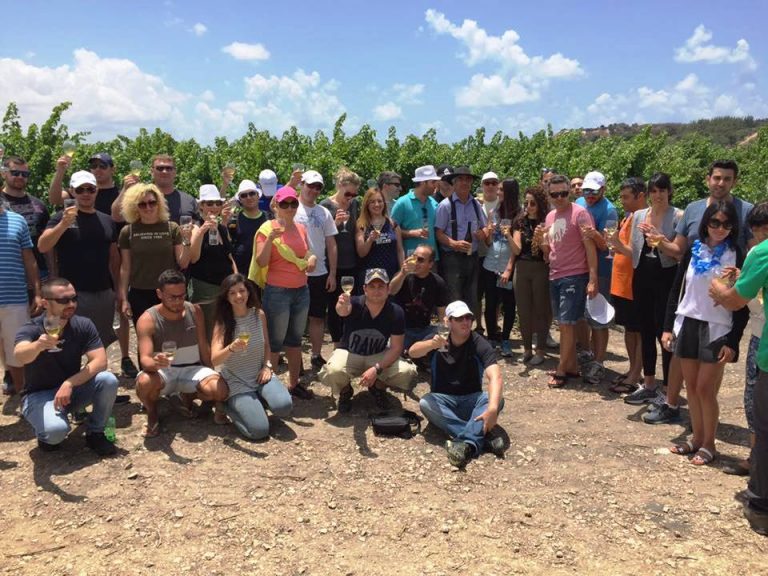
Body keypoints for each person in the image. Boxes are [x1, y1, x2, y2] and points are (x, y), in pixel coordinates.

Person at [646, 160, 753, 425]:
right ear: (708, 179)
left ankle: (704, 426)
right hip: (691, 293)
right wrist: (660, 242)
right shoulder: (693, 209)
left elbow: (754, 252)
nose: (721, 183)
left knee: (709, 376)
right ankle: (673, 405)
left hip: (723, 306)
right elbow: (679, 250)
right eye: (717, 177)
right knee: (681, 361)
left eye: (727, 179)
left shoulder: (746, 211)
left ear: (734, 182)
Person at [662, 201, 748, 466]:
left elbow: (742, 304)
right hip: (689, 322)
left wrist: (733, 342)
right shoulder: (693, 250)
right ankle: (696, 438)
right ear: (706, 224)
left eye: (726, 224)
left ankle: (710, 444)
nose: (720, 229)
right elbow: (677, 289)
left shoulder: (737, 255)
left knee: (705, 388)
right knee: (691, 387)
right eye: (715, 223)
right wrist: (667, 327)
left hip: (718, 328)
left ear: (733, 227)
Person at [708, 202, 768, 534]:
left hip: (767, 350)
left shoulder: (763, 252)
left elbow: (734, 300)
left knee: (763, 421)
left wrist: (719, 289)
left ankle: (760, 505)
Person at [15, 277, 119, 455]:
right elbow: (20, 354)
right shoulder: (32, 328)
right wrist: (38, 346)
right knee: (55, 433)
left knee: (108, 380)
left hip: (70, 391)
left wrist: (70, 383)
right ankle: (46, 432)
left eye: (74, 298)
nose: (71, 304)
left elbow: (100, 361)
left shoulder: (82, 324)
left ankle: (96, 433)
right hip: (39, 395)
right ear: (46, 303)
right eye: (64, 300)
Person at [409, 300, 505, 468]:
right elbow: (413, 351)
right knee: (426, 403)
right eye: (459, 319)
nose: (465, 322)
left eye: (469, 318)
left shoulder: (478, 342)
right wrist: (432, 345)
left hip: (471, 400)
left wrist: (492, 408)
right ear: (448, 321)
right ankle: (481, 436)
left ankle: (465, 443)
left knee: (497, 400)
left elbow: (495, 376)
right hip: (443, 400)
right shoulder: (438, 338)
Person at [134, 269, 228, 437]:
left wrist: (212, 371)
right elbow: (145, 360)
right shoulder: (148, 319)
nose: (178, 302)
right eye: (172, 297)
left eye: (182, 296)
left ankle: (187, 396)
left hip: (192, 369)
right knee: (144, 382)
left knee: (220, 389)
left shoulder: (194, 311)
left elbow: (202, 344)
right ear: (159, 294)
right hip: (165, 372)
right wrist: (156, 363)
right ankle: (153, 413)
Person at [616, 174, 682, 408]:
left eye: (662, 190)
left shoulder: (678, 216)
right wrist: (614, 242)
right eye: (654, 191)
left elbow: (679, 254)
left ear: (669, 191)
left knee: (664, 334)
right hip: (641, 277)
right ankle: (650, 383)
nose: (658, 195)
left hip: (666, 279)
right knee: (645, 330)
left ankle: (668, 389)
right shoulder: (638, 216)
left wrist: (659, 240)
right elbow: (632, 251)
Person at [319, 268, 417, 413]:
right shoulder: (355, 302)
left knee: (407, 372)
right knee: (332, 371)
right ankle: (345, 391)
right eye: (372, 286)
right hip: (350, 354)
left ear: (388, 288)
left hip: (378, 355)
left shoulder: (396, 312)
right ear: (364, 289)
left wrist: (376, 369)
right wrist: (341, 304)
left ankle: (378, 387)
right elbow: (343, 310)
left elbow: (396, 347)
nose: (376, 290)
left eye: (381, 286)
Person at [252, 186, 316, 399]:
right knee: (275, 342)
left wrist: (312, 259)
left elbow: (306, 253)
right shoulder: (266, 228)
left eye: (293, 203)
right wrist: (270, 239)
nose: (289, 208)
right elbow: (261, 261)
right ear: (276, 206)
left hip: (301, 290)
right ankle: (269, 388)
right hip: (278, 292)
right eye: (284, 204)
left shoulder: (300, 228)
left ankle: (294, 384)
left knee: (295, 340)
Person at [534, 174, 598, 388]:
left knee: (566, 324)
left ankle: (562, 370)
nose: (559, 197)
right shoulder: (551, 216)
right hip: (555, 274)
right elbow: (549, 251)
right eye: (555, 194)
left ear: (569, 192)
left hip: (574, 275)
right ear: (549, 195)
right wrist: (541, 241)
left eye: (563, 193)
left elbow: (590, 248)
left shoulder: (581, 214)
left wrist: (592, 278)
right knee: (563, 322)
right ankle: (570, 367)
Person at [211, 274, 292, 440]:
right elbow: (215, 360)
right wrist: (231, 348)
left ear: (248, 292)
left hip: (259, 374)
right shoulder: (223, 322)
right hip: (237, 381)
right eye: (232, 293)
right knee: (259, 432)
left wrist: (267, 367)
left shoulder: (258, 314)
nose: (238, 296)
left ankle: (256, 403)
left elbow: (267, 346)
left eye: (242, 290)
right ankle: (226, 405)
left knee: (284, 407)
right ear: (226, 296)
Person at [118, 183, 192, 325]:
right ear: (134, 207)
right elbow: (125, 268)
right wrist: (124, 299)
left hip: (169, 292)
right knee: (145, 336)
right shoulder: (128, 231)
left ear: (159, 203)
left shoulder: (172, 228)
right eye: (142, 204)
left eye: (152, 202)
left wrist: (186, 241)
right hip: (139, 292)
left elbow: (183, 263)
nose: (148, 207)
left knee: (171, 335)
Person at [604, 177, 647, 397]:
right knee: (630, 331)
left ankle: (635, 375)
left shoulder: (644, 220)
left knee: (638, 331)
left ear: (641, 196)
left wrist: (618, 245)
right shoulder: (629, 217)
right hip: (621, 283)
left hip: (634, 284)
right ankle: (633, 370)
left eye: (626, 197)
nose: (622, 201)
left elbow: (638, 254)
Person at [575, 171, 619, 385]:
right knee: (583, 315)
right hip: (579, 266)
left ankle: (599, 362)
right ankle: (587, 353)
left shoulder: (610, 211)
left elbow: (608, 246)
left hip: (601, 269)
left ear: (603, 189)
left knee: (599, 317)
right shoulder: (579, 202)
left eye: (593, 191)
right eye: (586, 191)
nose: (589, 195)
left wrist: (594, 234)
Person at [294, 170, 338, 369]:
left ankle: (316, 354)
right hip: (294, 273)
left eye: (318, 187)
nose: (313, 190)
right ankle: (296, 360)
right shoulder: (289, 207)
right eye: (310, 185)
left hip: (319, 273)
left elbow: (331, 244)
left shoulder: (324, 212)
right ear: (302, 184)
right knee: (295, 318)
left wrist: (333, 273)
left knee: (317, 316)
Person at [435, 166, 488, 323]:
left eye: (468, 179)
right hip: (452, 258)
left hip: (472, 258)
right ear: (454, 182)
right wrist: (454, 244)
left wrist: (483, 233)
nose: (465, 183)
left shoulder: (476, 205)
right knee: (454, 298)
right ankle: (453, 336)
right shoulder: (445, 205)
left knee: (471, 296)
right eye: (461, 179)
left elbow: (485, 226)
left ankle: (466, 334)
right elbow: (438, 233)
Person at [0, 199, 42, 394]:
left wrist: (37, 292)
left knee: (19, 352)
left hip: (15, 297)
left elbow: (29, 259)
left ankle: (25, 398)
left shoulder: (18, 221)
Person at [188, 185, 237, 339]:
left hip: (226, 286)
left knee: (226, 328)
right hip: (206, 288)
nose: (214, 207)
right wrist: (203, 230)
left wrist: (236, 279)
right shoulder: (195, 228)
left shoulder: (221, 228)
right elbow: (193, 258)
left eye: (217, 203)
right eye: (209, 203)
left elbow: (229, 256)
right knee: (209, 331)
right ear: (201, 206)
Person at [320, 168, 361, 346]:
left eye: (354, 194)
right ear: (339, 185)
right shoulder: (325, 206)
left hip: (352, 263)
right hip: (332, 265)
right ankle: (337, 345)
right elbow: (320, 237)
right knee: (334, 306)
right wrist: (335, 225)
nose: (351, 197)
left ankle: (348, 342)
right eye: (348, 193)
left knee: (351, 305)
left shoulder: (354, 204)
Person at [511, 186, 550, 366]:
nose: (529, 206)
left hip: (541, 268)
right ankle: (527, 349)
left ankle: (540, 349)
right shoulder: (520, 221)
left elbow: (547, 254)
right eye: (526, 203)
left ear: (540, 204)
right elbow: (517, 249)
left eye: (532, 203)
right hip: (522, 267)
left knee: (541, 310)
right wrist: (507, 236)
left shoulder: (546, 221)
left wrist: (541, 239)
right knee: (524, 310)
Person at [480, 177, 519, 355]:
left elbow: (517, 248)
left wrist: (509, 269)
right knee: (490, 303)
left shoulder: (519, 215)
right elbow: (489, 243)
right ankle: (492, 338)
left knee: (509, 305)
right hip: (490, 264)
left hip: (506, 267)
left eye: (501, 189)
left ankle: (505, 340)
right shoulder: (494, 212)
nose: (497, 191)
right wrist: (488, 231)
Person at [389, 244, 448, 349]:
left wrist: (443, 339)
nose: (415, 262)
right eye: (413, 257)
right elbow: (391, 291)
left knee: (443, 342)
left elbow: (442, 314)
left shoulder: (438, 282)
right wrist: (403, 273)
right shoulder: (404, 276)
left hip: (425, 330)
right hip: (403, 330)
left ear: (430, 264)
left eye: (420, 260)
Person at [1, 155, 51, 280]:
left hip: (40, 271)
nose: (20, 177)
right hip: (7, 273)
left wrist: (53, 272)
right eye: (15, 173)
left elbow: (48, 243)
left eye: (25, 174)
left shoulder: (39, 204)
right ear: (3, 174)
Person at [112, 154, 197, 224]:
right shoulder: (139, 196)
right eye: (160, 168)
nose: (164, 171)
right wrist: (125, 189)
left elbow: (196, 229)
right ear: (152, 172)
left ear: (175, 172)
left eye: (169, 168)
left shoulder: (188, 200)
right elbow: (117, 217)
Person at [355, 187, 404, 286]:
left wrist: (402, 271)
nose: (377, 204)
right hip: (370, 276)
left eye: (379, 201)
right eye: (372, 202)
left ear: (384, 203)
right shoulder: (362, 224)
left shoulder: (392, 224)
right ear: (367, 205)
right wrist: (370, 240)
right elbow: (361, 253)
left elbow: (399, 250)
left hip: (391, 273)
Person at [391, 165, 440, 259]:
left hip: (431, 261)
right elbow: (390, 231)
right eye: (433, 182)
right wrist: (411, 233)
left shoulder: (434, 204)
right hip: (410, 261)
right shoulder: (402, 203)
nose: (436, 185)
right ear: (422, 182)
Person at [228, 179, 269, 278]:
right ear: (240, 199)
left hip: (265, 272)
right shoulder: (234, 219)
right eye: (244, 195)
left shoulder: (269, 218)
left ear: (258, 195)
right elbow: (228, 245)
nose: (248, 197)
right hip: (242, 273)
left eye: (252, 193)